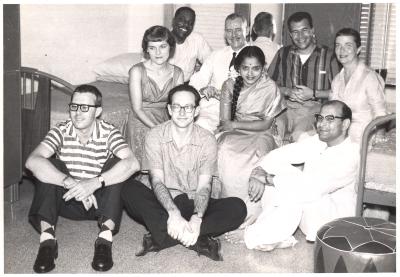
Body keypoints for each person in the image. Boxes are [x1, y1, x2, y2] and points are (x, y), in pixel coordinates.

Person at [121, 84, 247, 261]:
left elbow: (205, 186)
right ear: (169, 110)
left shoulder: (207, 139)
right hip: (164, 203)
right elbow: (156, 181)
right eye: (176, 106)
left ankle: (162, 236)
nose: (182, 112)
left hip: (195, 201)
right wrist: (173, 213)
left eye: (188, 107)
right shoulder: (154, 136)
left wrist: (196, 218)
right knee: (127, 188)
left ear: (196, 111)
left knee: (238, 207)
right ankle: (198, 239)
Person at [26, 85, 140, 273]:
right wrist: (69, 182)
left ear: (98, 112)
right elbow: (32, 161)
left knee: (115, 163)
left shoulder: (109, 131)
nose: (78, 113)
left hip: (98, 205)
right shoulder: (61, 130)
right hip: (66, 201)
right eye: (74, 106)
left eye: (85, 108)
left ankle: (104, 240)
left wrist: (94, 183)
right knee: (50, 165)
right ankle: (47, 242)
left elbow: (133, 163)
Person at [225, 100, 359, 250]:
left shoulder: (351, 154)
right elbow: (282, 154)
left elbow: (311, 189)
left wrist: (268, 179)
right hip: (310, 211)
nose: (321, 124)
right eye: (320, 118)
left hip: (331, 222)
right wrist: (259, 171)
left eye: (330, 119)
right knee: (277, 170)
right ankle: (275, 235)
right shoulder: (319, 142)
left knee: (293, 189)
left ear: (346, 124)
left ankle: (256, 234)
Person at [216, 46, 286, 227]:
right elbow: (225, 121)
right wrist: (233, 126)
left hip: (261, 133)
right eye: (245, 68)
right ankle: (225, 210)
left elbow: (265, 124)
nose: (250, 73)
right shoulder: (229, 85)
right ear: (238, 68)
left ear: (263, 68)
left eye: (255, 68)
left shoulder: (270, 87)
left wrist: (236, 124)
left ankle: (250, 217)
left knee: (258, 155)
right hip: (233, 132)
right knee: (223, 150)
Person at [268, 11, 341, 142]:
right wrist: (286, 91)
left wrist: (313, 94)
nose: (300, 36)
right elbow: (266, 85)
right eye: (295, 32)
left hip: (313, 110)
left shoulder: (329, 56)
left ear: (312, 30)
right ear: (290, 34)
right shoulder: (282, 54)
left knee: (299, 137)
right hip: (284, 108)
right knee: (272, 134)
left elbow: (339, 93)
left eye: (304, 30)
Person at [127, 25, 184, 164]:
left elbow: (178, 107)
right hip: (141, 120)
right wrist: (157, 129)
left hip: (166, 119)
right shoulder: (136, 71)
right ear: (146, 50)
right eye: (152, 47)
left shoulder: (178, 73)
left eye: (163, 46)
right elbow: (137, 109)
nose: (158, 52)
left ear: (171, 47)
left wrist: (173, 128)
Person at [190, 13, 249, 133]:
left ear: (247, 30)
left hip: (242, 112)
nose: (233, 35)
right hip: (212, 110)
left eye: (238, 30)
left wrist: (223, 95)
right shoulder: (215, 55)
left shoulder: (255, 57)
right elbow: (199, 79)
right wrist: (203, 89)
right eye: (229, 31)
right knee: (197, 129)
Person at [330, 27, 387, 144]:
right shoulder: (337, 80)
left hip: (363, 138)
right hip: (339, 137)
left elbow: (380, 114)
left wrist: (380, 138)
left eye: (348, 46)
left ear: (358, 49)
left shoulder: (370, 77)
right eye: (338, 45)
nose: (341, 50)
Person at [169, 6, 212, 83]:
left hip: (186, 86)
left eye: (190, 23)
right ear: (173, 21)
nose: (186, 25)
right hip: (163, 88)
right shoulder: (161, 39)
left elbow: (211, 62)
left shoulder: (197, 39)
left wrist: (200, 75)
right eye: (182, 20)